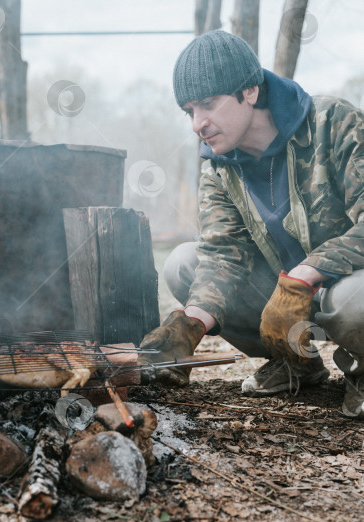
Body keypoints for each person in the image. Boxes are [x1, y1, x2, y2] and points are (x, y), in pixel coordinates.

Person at [140, 29, 364, 417]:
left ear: (250, 92)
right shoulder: (217, 167)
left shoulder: (335, 124)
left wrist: (307, 273)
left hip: (342, 285)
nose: (198, 123)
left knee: (353, 303)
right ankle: (295, 363)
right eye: (189, 111)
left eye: (208, 104)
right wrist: (190, 326)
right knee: (183, 264)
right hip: (282, 298)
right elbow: (222, 255)